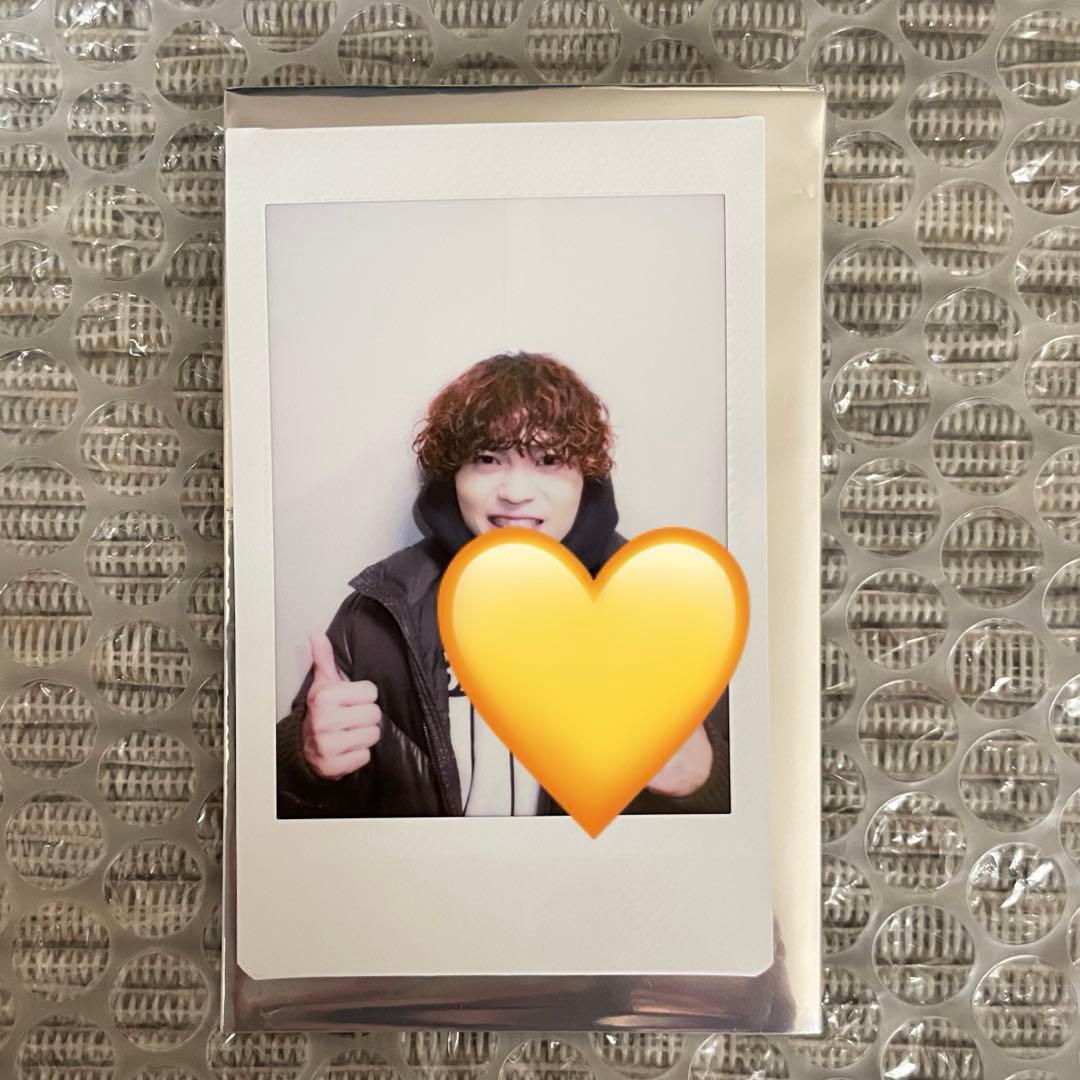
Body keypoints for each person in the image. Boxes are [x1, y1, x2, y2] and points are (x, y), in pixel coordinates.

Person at [276, 351, 730, 819]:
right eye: (487, 459)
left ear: (586, 476)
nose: (515, 493)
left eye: (549, 460)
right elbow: (279, 815)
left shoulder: (661, 608)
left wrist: (706, 777)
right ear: (454, 474)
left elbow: (761, 802)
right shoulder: (381, 611)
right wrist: (304, 763)